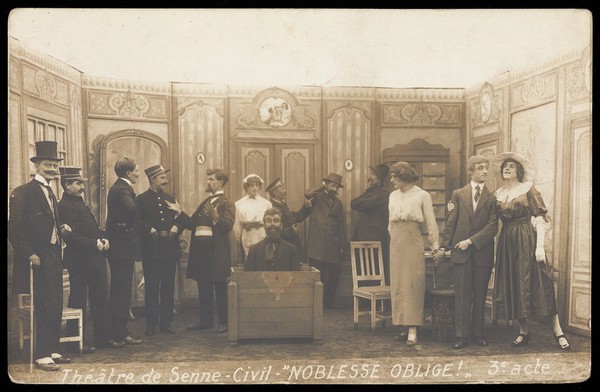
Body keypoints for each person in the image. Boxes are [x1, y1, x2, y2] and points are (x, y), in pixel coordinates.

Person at [492, 152, 570, 350]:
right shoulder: (498, 194)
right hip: (508, 242)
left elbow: (540, 217)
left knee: (541, 283)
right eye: (504, 166)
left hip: (528, 239)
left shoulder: (528, 189)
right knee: (514, 284)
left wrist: (540, 247)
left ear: (518, 170)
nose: (507, 168)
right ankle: (524, 331)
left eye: (511, 166)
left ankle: (558, 331)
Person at [8, 141, 71, 370]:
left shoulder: (52, 192)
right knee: (43, 303)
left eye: (55, 165)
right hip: (37, 257)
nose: (52, 169)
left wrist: (61, 227)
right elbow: (14, 228)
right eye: (48, 165)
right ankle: (41, 354)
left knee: (55, 303)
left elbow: (49, 221)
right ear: (37, 166)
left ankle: (52, 349)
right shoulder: (23, 192)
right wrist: (30, 253)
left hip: (54, 254)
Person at [434, 156, 498, 349]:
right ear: (471, 171)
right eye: (480, 168)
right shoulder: (458, 195)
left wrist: (470, 242)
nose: (485, 171)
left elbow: (492, 227)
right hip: (460, 256)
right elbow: (451, 223)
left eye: (486, 168)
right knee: (462, 295)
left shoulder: (492, 198)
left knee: (480, 295)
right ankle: (460, 335)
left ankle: (478, 333)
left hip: (481, 254)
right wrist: (444, 247)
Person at [57, 166, 118, 353]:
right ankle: (74, 344)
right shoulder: (63, 206)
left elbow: (90, 230)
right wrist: (95, 244)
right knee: (78, 300)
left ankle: (103, 339)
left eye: (81, 183)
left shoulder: (79, 202)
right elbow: (71, 237)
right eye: (77, 183)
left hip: (94, 258)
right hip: (79, 261)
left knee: (100, 299)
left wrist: (104, 237)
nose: (81, 186)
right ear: (67, 185)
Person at [388, 161, 439, 346]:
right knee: (399, 285)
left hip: (412, 241)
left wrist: (434, 246)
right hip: (396, 242)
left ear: (405, 177)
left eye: (395, 176)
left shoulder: (422, 195)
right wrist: (394, 239)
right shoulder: (393, 195)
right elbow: (389, 223)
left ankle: (413, 328)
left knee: (412, 283)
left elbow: (431, 223)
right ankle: (402, 324)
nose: (392, 180)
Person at [136, 165, 189, 336]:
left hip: (169, 250)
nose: (165, 181)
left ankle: (166, 323)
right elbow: (137, 221)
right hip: (151, 251)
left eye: (165, 178)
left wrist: (176, 227)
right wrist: (148, 228)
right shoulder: (141, 199)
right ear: (152, 179)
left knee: (167, 287)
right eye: (162, 178)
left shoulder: (170, 198)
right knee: (151, 287)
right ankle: (151, 324)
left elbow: (180, 220)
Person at [186, 168, 235, 334]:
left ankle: (224, 322)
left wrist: (216, 217)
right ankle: (206, 321)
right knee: (204, 285)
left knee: (220, 286)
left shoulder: (226, 202)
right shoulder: (206, 201)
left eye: (211, 179)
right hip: (201, 252)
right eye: (208, 179)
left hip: (216, 251)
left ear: (220, 182)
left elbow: (227, 226)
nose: (208, 182)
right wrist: (178, 211)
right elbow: (192, 223)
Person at [105, 156, 143, 346]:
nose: (138, 173)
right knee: (121, 291)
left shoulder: (120, 187)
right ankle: (119, 334)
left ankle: (119, 332)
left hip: (119, 249)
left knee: (120, 290)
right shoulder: (122, 189)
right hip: (121, 249)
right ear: (128, 173)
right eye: (136, 170)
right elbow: (131, 210)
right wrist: (128, 227)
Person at [305, 173, 346, 309]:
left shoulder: (339, 203)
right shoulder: (317, 197)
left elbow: (342, 225)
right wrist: (322, 186)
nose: (334, 189)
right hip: (317, 242)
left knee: (334, 274)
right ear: (326, 184)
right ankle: (317, 303)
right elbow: (308, 193)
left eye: (336, 186)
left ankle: (329, 302)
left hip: (332, 243)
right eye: (332, 185)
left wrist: (341, 245)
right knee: (318, 274)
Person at [350, 163, 391, 285]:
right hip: (363, 236)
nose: (370, 176)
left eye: (373, 174)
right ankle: (365, 301)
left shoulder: (384, 193)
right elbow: (353, 203)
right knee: (362, 268)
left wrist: (362, 202)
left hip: (374, 237)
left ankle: (377, 302)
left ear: (380, 178)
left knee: (375, 269)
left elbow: (364, 204)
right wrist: (363, 202)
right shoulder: (370, 191)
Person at [265, 177, 311, 263]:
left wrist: (306, 207)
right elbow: (272, 231)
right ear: (275, 192)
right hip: (282, 247)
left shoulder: (282, 205)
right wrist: (291, 231)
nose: (285, 190)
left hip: (291, 244)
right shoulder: (271, 206)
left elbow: (296, 217)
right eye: (282, 188)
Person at [233, 174, 272, 261]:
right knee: (249, 258)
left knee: (262, 257)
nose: (254, 188)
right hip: (247, 234)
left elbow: (270, 222)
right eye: (251, 185)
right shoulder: (239, 203)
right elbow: (237, 225)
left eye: (257, 185)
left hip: (261, 233)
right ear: (246, 187)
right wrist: (241, 236)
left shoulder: (266, 203)